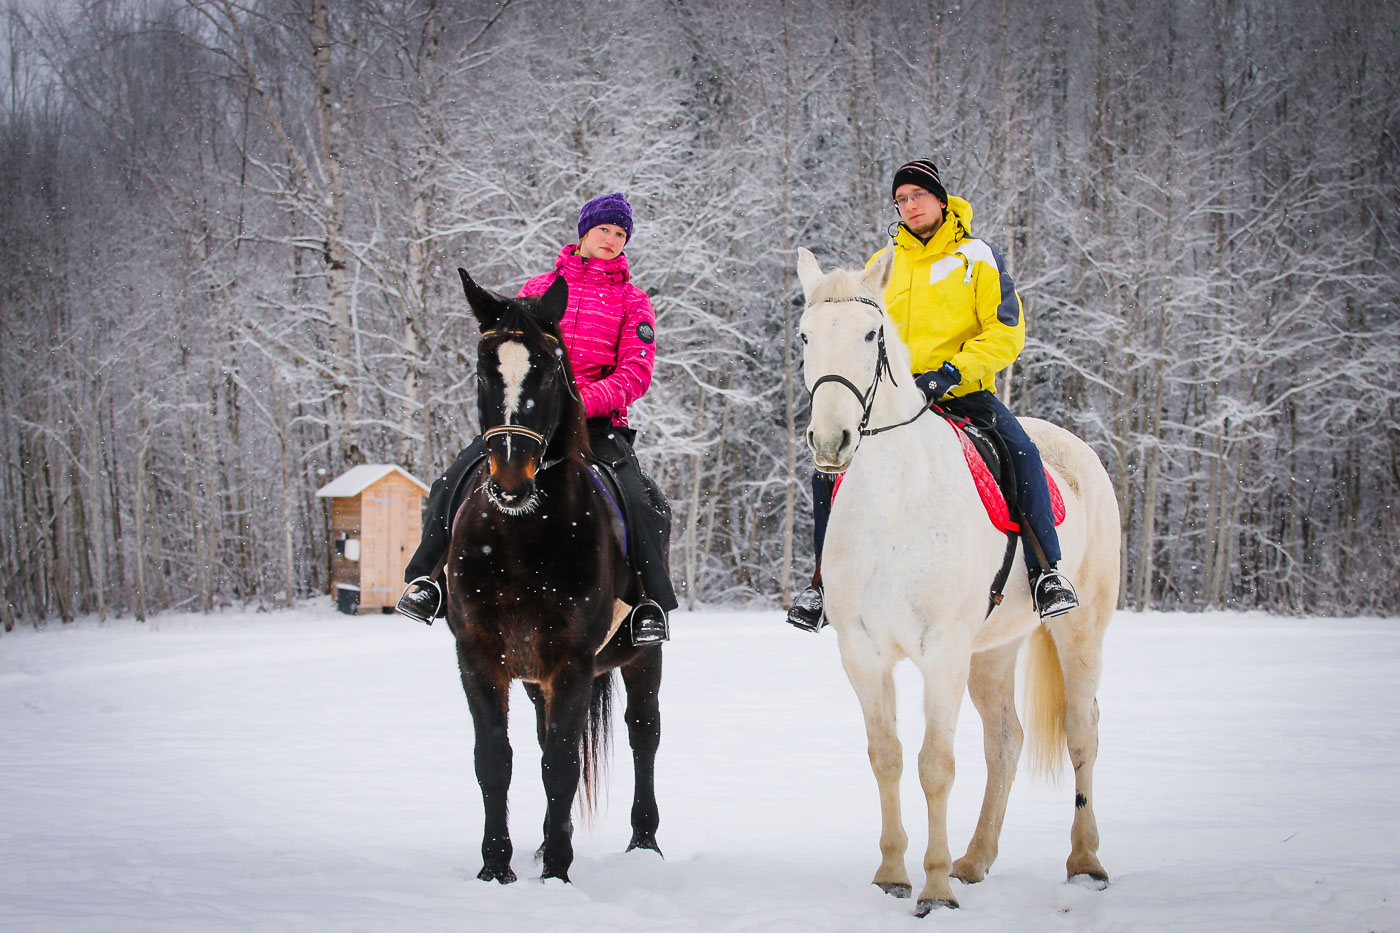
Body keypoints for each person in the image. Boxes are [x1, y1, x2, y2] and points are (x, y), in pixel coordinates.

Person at [787, 159, 1079, 631]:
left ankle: (1047, 571)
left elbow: (1007, 332)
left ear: (940, 199)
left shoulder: (977, 257)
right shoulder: (881, 266)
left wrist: (952, 371)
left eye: (916, 195)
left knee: (1021, 450)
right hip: (894, 404)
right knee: (829, 466)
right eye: (900, 199)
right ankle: (821, 584)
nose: (908, 205)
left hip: (962, 394)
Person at [397, 192, 677, 643]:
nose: (611, 239)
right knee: (451, 480)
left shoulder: (633, 301)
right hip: (528, 423)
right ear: (583, 232)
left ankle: (649, 602)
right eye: (603, 229)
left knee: (641, 499)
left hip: (596, 426)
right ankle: (426, 579)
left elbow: (635, 374)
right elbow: (512, 358)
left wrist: (582, 403)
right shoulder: (537, 289)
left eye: (620, 234)